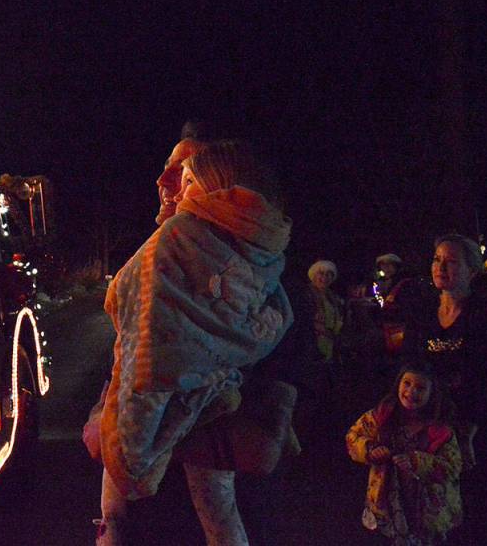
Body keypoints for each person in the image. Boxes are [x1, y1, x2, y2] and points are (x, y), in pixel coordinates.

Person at [96, 138, 294, 546]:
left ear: (217, 188)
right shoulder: (261, 247)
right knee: (219, 516)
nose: (173, 188)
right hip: (213, 423)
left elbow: (148, 347)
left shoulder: (176, 240)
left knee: (124, 505)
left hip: (186, 425)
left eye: (186, 178)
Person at [401, 234, 487, 544]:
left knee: (476, 508)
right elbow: (407, 366)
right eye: (437, 259)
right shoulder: (422, 313)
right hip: (429, 426)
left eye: (451, 261)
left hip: (475, 429)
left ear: (472, 271)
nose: (441, 267)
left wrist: (468, 428)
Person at [346, 361, 463, 545]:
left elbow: (452, 466)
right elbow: (354, 437)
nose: (411, 392)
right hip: (387, 499)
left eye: (420, 388)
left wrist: (417, 462)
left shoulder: (440, 428)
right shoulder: (382, 415)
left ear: (432, 394)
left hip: (425, 506)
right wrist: (370, 450)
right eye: (406, 383)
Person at [306, 259, 345, 363]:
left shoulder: (333, 297)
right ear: (313, 275)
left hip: (330, 347)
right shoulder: (307, 295)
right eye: (321, 273)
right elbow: (307, 320)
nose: (325, 277)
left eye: (329, 274)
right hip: (312, 346)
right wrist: (330, 335)